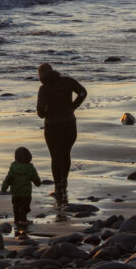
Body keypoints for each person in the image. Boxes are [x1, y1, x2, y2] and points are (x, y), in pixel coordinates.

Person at [36, 62, 87, 207]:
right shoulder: (67, 81)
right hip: (69, 124)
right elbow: (83, 92)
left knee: (55, 156)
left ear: (41, 76)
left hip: (52, 126)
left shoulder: (44, 89)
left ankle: (58, 187)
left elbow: (40, 113)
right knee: (66, 154)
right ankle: (64, 181)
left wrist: (46, 112)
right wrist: (73, 107)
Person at [1, 145, 41, 236]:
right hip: (26, 193)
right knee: (25, 207)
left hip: (15, 193)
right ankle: (23, 220)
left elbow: (8, 179)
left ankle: (17, 219)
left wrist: (4, 187)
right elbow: (35, 178)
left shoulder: (13, 168)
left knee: (16, 206)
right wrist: (38, 183)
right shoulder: (30, 168)